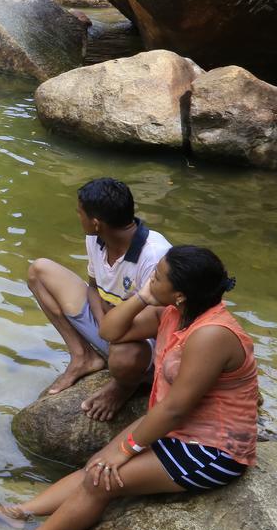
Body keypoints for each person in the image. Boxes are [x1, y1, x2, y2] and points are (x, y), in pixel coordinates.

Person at [0, 246, 257, 530]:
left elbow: (175, 409)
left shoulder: (212, 334)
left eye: (157, 278)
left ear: (181, 294)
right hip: (175, 430)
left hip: (211, 450)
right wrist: (144, 297)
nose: (150, 279)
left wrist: (125, 450)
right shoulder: (172, 313)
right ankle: (18, 512)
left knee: (100, 480)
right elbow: (110, 331)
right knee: (95, 464)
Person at [27, 178, 171, 421]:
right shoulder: (96, 238)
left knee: (126, 356)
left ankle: (130, 383)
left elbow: (160, 320)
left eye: (79, 213)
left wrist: (111, 325)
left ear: (96, 223)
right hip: (109, 321)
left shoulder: (155, 255)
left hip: (140, 341)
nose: (78, 217)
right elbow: (93, 287)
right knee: (39, 271)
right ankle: (83, 357)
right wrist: (104, 318)